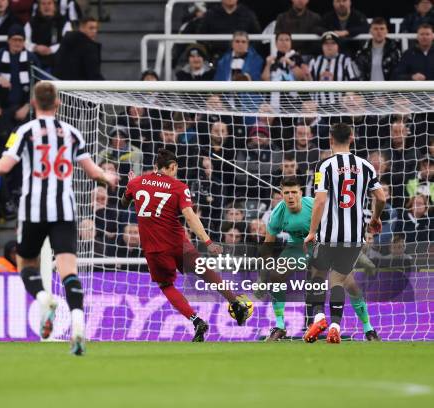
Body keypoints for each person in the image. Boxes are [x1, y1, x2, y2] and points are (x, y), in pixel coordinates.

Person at [0, 81, 118, 356]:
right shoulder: (73, 133)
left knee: (25, 263)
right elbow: (93, 171)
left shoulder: (24, 131)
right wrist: (107, 176)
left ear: (35, 104)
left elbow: (3, 167)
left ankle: (43, 299)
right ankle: (77, 324)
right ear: (59, 103)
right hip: (64, 210)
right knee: (68, 271)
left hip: (33, 211)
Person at [120, 148, 252, 342]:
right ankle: (235, 303)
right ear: (172, 167)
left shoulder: (137, 182)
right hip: (178, 243)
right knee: (205, 273)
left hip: (154, 249)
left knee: (166, 285)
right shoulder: (179, 186)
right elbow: (189, 216)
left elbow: (124, 203)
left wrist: (130, 185)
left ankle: (196, 320)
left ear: (155, 166)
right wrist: (208, 241)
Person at [263, 177, 380, 341]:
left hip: (323, 244)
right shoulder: (277, 213)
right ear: (281, 195)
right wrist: (266, 267)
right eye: (286, 193)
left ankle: (368, 328)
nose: (290, 196)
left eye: (294, 192)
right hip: (296, 248)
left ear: (301, 193)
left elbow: (335, 227)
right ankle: (280, 326)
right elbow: (268, 244)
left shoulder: (314, 205)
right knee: (275, 275)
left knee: (350, 283)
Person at [303, 123, 387, 343]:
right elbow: (381, 198)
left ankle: (320, 317)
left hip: (329, 235)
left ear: (331, 139)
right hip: (354, 237)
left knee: (317, 274)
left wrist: (312, 232)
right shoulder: (366, 166)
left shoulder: (324, 166)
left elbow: (320, 201)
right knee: (339, 280)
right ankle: (335, 326)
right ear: (352, 138)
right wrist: (376, 218)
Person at [0, 25, 40, 122]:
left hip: (25, 107)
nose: (17, 43)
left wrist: (28, 106)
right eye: (15, 40)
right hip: (2, 106)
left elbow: (38, 83)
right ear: (8, 40)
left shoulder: (31, 58)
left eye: (20, 40)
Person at [307, 32, 358, 104]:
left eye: (333, 43)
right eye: (326, 43)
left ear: (338, 45)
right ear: (322, 46)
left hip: (340, 106)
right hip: (318, 105)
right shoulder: (314, 61)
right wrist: (319, 81)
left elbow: (354, 83)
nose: (329, 46)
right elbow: (308, 85)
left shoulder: (345, 60)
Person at [25, 0, 72, 71]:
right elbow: (25, 41)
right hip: (35, 59)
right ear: (39, 6)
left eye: (49, 3)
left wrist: (51, 50)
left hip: (57, 60)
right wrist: (35, 47)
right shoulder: (31, 23)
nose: (46, 6)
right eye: (43, 4)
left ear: (55, 6)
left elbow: (67, 42)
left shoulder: (64, 22)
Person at [53, 16, 103, 80]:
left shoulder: (67, 41)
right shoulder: (88, 47)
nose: (94, 31)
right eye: (91, 28)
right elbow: (93, 73)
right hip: (80, 86)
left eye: (96, 28)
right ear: (81, 28)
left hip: (63, 84)